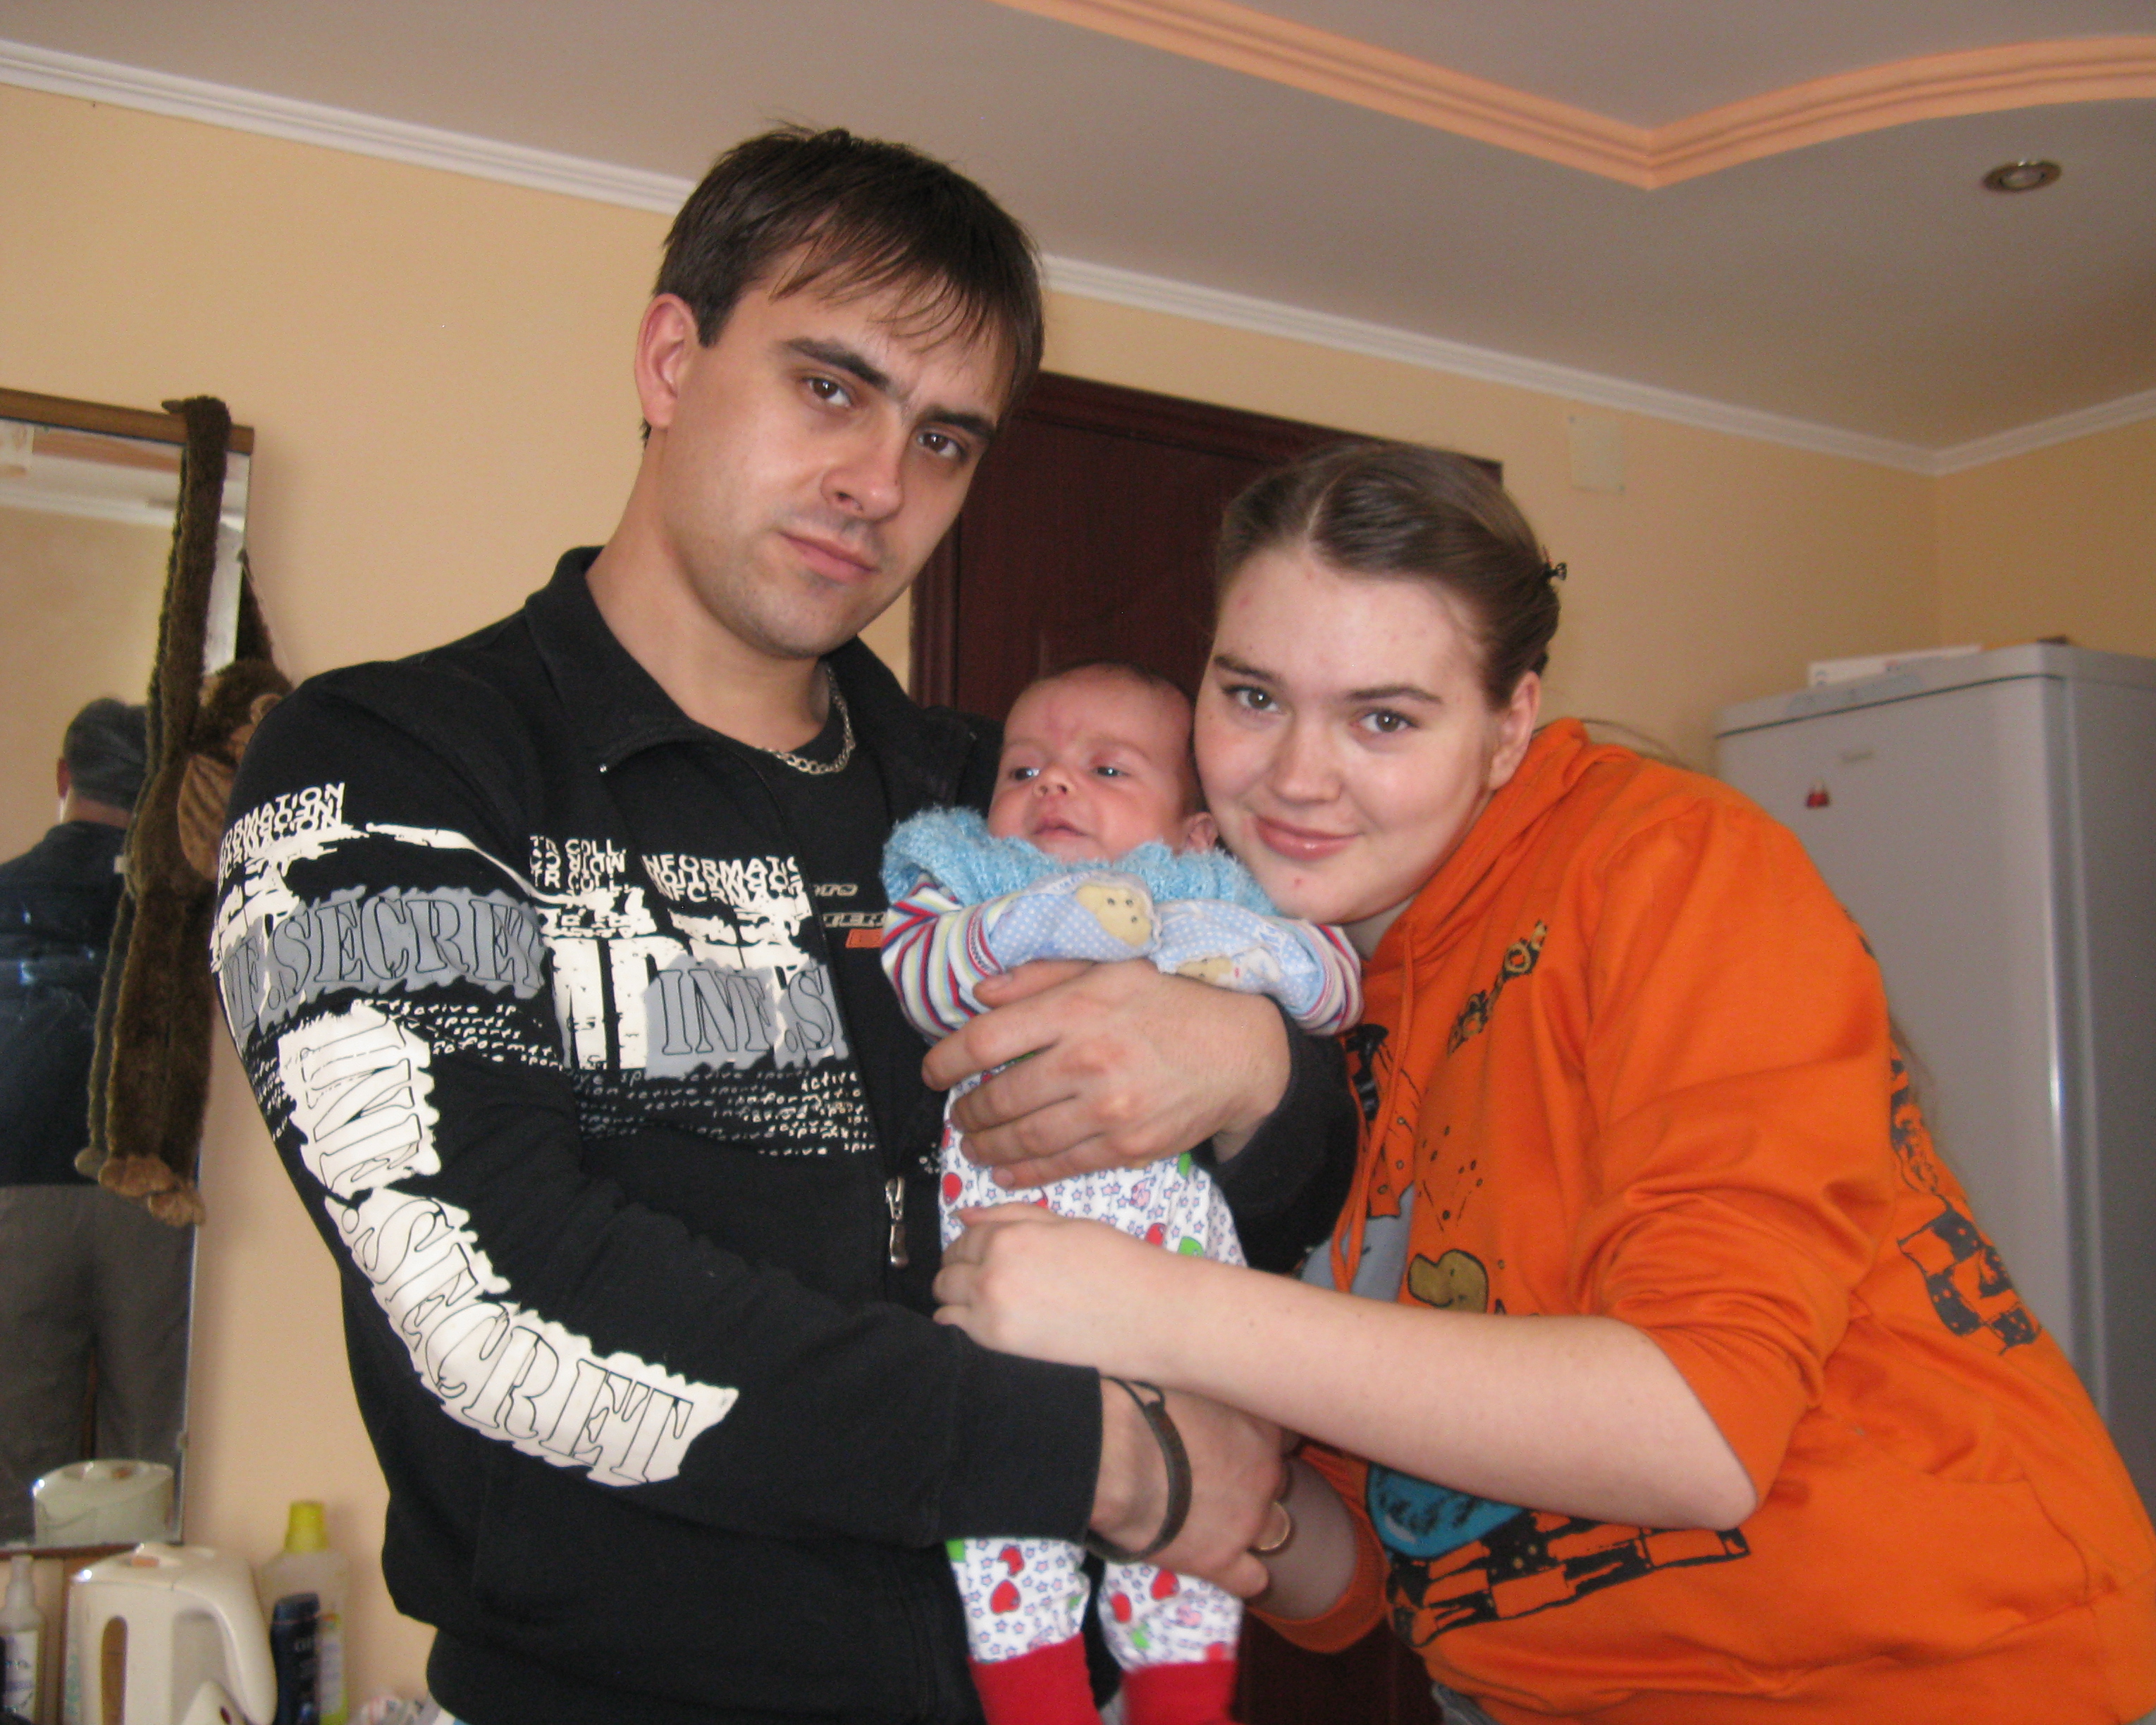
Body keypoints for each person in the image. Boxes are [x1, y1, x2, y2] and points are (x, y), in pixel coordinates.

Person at [209, 129, 1348, 1725]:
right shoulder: (390, 766)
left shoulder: (994, 801)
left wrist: (1252, 1066)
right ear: (671, 359)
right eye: (829, 387)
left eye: (942, 439)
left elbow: (1291, 1172)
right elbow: (486, 1288)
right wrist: (1102, 1457)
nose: (879, 485)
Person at [933, 441, 2156, 1724]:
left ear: (1509, 723)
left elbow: (1698, 1432)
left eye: (1383, 718)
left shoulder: (1665, 866)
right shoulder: (1284, 991)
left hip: (1921, 1681)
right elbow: (1367, 1569)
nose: (1295, 775)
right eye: (1251, 696)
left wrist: (1155, 1310)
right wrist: (1176, 1481)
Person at [880, 661, 1361, 1725]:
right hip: (1010, 1275)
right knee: (1007, 1518)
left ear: (1192, 832)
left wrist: (1220, 962)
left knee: (1191, 1514)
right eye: (1024, 770)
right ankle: (1036, 1695)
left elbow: (1331, 985)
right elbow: (918, 977)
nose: (1053, 785)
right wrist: (1039, 920)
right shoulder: (967, 876)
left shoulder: (1208, 894)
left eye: (1107, 770)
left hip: (1177, 1273)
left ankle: (1179, 1699)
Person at [0, 698, 193, 1542]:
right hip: (147, 1192)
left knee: (17, 1457)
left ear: (63, 777)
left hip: (13, 1194)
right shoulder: (174, 909)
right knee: (149, 1451)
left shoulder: (6, 893)